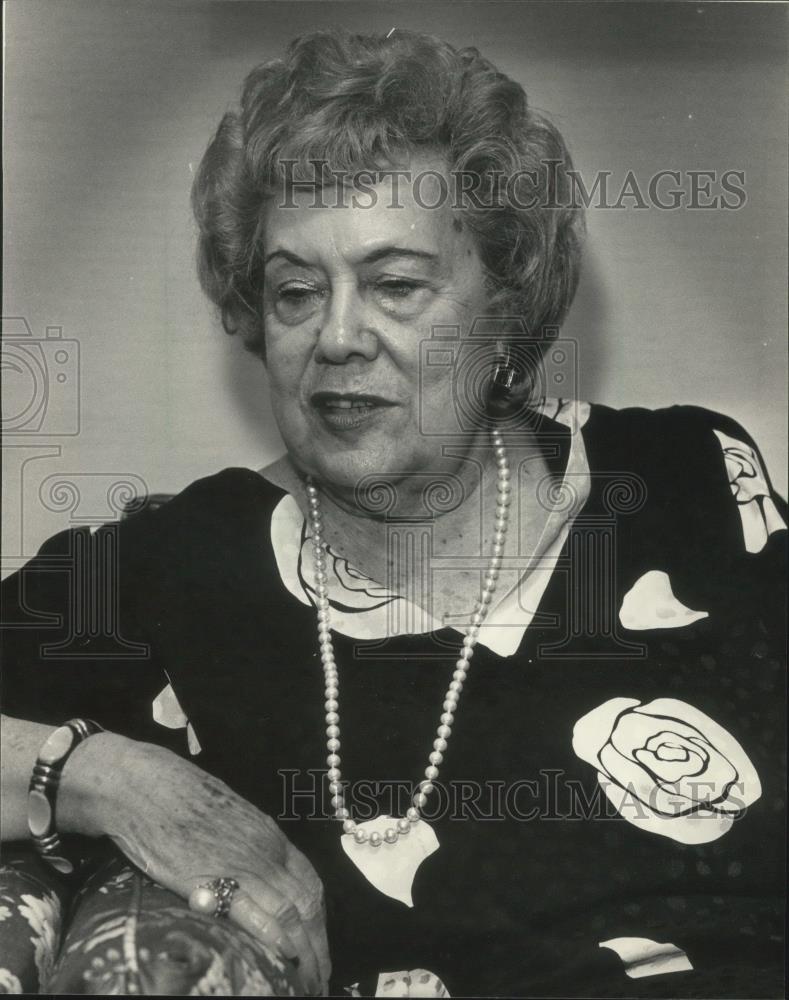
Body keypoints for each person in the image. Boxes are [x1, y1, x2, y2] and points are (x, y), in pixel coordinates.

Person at [1, 27, 786, 999]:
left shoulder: (689, 480)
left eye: (395, 285)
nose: (336, 335)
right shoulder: (179, 569)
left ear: (505, 308)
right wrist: (102, 774)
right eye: (295, 291)